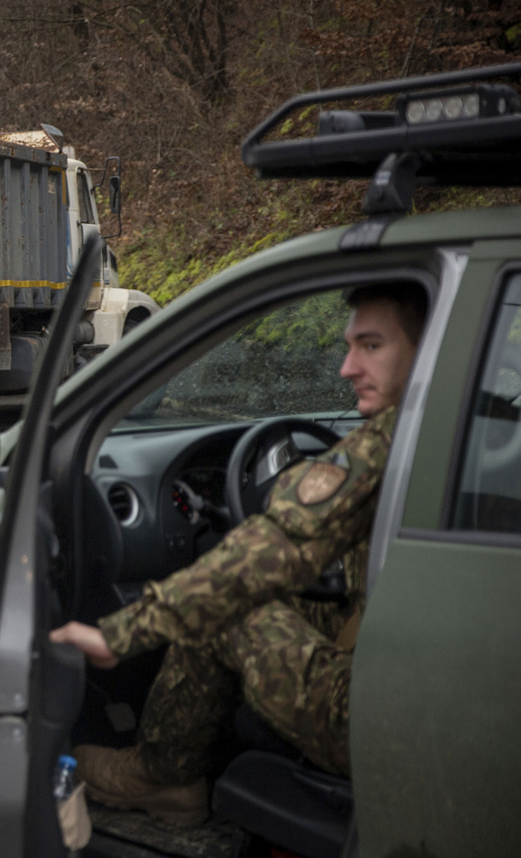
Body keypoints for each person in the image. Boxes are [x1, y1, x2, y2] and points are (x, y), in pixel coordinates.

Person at [51, 282, 427, 825]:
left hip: (382, 715)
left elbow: (267, 551)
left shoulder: (389, 441)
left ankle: (163, 776)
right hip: (419, 672)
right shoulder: (466, 425)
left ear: (426, 349)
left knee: (226, 604)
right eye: (349, 346)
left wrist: (119, 633)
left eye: (371, 346)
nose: (346, 368)